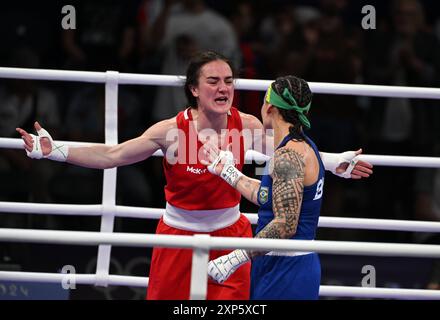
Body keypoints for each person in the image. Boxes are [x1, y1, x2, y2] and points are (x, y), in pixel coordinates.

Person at [16, 51, 372, 300]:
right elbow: (113, 155)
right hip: (177, 236)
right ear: (194, 89)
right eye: (213, 81)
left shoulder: (246, 125)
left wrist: (334, 161)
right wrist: (56, 150)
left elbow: (291, 155)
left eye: (229, 81)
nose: (223, 88)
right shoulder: (170, 131)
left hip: (231, 235)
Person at [204, 75, 356, 299]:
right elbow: (268, 197)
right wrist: (227, 172)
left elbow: (285, 224)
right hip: (278, 263)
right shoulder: (296, 149)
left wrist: (233, 259)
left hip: (288, 269)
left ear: (270, 107)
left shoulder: (288, 156)